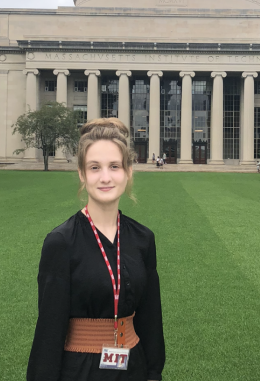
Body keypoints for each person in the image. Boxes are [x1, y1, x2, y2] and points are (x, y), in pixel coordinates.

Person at [27, 118, 165, 381]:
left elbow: (150, 319)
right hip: (80, 369)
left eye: (114, 166)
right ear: (82, 173)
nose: (105, 177)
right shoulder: (61, 242)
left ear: (128, 171)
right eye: (94, 167)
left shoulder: (143, 239)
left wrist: (153, 373)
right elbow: (49, 331)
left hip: (132, 366)